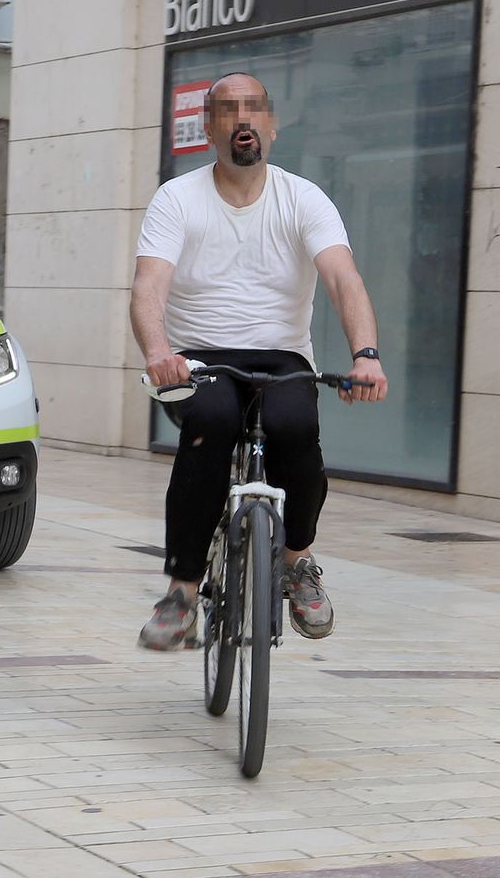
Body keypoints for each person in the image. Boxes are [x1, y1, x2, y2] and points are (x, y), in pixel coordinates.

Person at [132, 72, 388, 651]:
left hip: (281, 359)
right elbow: (149, 286)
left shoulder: (304, 199)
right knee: (212, 425)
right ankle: (181, 592)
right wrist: (159, 353)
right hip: (200, 360)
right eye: (227, 110)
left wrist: (365, 355)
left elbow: (344, 279)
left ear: (272, 125)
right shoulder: (177, 199)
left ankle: (297, 561)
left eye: (253, 109)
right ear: (209, 129)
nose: (242, 119)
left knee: (297, 428)